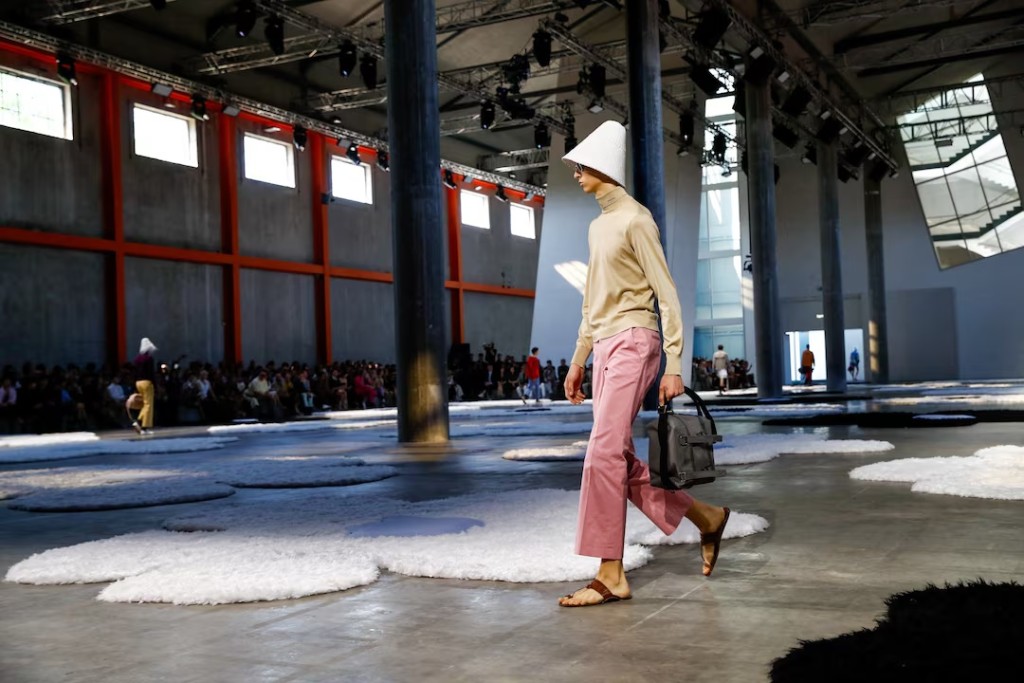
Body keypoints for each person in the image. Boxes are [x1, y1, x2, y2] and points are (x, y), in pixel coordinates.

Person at [558, 121, 731, 608]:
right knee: (615, 455)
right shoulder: (597, 226)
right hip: (605, 346)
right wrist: (578, 359)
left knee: (601, 455)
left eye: (582, 165)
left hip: (637, 341)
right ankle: (706, 517)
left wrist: (674, 363)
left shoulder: (637, 219)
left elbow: (666, 293)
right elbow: (592, 301)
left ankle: (610, 574)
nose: (575, 173)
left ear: (603, 167)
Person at [133, 337, 157, 435]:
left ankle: (141, 425)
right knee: (148, 405)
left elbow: (134, 372)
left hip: (138, 382)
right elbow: (151, 373)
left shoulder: (137, 359)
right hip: (147, 382)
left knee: (144, 404)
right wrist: (155, 384)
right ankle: (142, 426)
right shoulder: (149, 359)